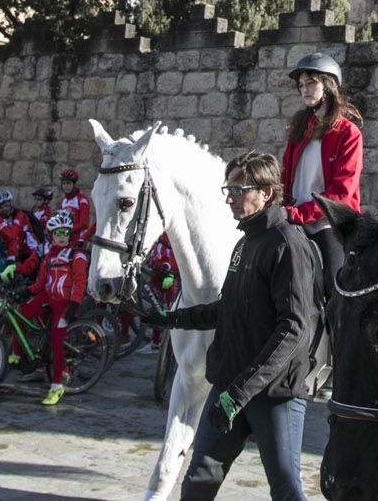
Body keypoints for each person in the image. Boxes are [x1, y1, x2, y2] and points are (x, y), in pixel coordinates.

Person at [143, 151, 320, 501]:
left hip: (273, 396)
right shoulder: (245, 243)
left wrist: (240, 393)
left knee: (286, 488)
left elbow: (294, 329)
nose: (229, 197)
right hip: (228, 388)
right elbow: (229, 309)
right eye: (229, 187)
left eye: (239, 188)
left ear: (266, 193)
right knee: (198, 479)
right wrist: (172, 318)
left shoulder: (288, 245)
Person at [279, 52, 362, 290]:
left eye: (311, 82)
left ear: (329, 85)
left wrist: (297, 214)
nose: (305, 89)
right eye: (301, 85)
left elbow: (342, 195)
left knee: (335, 287)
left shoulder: (348, 133)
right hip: (292, 217)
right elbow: (285, 177)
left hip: (328, 222)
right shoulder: (299, 129)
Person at [11, 210, 88, 406]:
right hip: (47, 297)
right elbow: (39, 284)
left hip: (65, 302)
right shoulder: (49, 257)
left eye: (65, 233)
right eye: (57, 233)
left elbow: (80, 282)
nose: (62, 237)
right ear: (51, 236)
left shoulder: (76, 256)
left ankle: (56, 386)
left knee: (56, 339)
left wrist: (75, 304)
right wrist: (25, 292)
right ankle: (16, 354)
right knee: (21, 314)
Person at [56, 169, 93, 241]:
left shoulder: (82, 200)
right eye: (64, 183)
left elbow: (84, 224)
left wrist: (68, 230)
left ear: (74, 185)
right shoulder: (64, 201)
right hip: (66, 238)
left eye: (68, 183)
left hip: (78, 239)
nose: (66, 186)